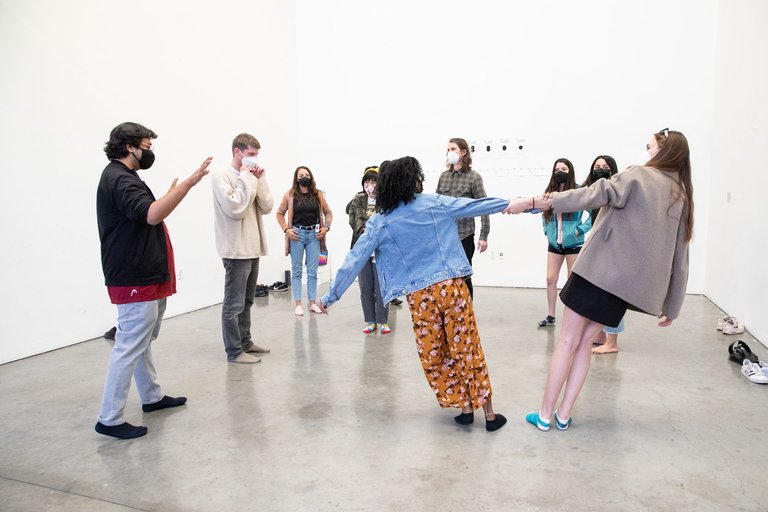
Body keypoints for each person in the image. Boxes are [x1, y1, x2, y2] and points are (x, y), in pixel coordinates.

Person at [507, 129, 693, 432]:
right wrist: (672, 306)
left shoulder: (637, 177)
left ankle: (543, 415)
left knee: (567, 341)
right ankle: (564, 415)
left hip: (596, 272)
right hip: (621, 290)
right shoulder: (682, 196)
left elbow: (589, 194)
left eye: (648, 147)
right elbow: (680, 256)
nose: (644, 151)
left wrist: (534, 201)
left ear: (662, 151)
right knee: (583, 346)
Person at [320, 156, 509, 432]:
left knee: (435, 352)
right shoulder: (434, 203)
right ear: (412, 181)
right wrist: (522, 205)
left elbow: (355, 259)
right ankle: (488, 414)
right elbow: (476, 205)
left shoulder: (380, 222)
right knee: (467, 346)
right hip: (451, 289)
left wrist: (330, 297)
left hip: (420, 298)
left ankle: (464, 407)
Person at [95, 122, 211, 439]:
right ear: (129, 146)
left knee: (142, 340)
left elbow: (142, 214)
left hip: (145, 272)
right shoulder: (118, 178)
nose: (150, 152)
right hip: (133, 275)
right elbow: (151, 214)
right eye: (147, 146)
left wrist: (172, 192)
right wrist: (185, 186)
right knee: (129, 344)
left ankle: (152, 397)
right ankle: (109, 418)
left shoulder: (126, 177)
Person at [211, 133, 274, 364]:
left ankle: (245, 342)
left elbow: (267, 206)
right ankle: (234, 351)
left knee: (247, 301)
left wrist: (261, 179)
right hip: (235, 250)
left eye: (256, 155)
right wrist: (248, 178)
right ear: (237, 152)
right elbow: (235, 206)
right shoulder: (221, 176)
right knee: (233, 304)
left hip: (252, 247)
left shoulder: (251, 176)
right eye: (250, 155)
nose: (254, 159)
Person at [537, 158, 592, 328]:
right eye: (557, 169)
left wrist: (579, 230)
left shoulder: (578, 191)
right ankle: (551, 315)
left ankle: (572, 318)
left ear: (570, 171)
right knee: (550, 278)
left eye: (563, 169)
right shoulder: (549, 192)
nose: (560, 172)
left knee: (571, 282)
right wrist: (547, 231)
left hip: (573, 244)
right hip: (555, 243)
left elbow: (592, 215)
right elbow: (543, 214)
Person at [580, 155, 626, 354]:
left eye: (605, 167)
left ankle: (612, 342)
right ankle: (599, 334)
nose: (600, 170)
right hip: (599, 248)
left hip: (615, 249)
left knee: (612, 295)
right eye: (597, 167)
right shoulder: (593, 195)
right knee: (596, 293)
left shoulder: (618, 192)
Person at [435, 138, 489, 298]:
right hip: (444, 236)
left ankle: (466, 317)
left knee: (463, 277)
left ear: (463, 152)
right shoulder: (443, 177)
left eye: (453, 149)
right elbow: (437, 207)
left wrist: (483, 236)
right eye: (448, 150)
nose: (449, 152)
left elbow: (484, 206)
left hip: (464, 235)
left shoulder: (474, 177)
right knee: (445, 277)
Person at [276, 166, 333, 316]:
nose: (304, 177)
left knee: (313, 272)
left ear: (311, 177)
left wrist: (326, 227)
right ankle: (298, 304)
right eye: (301, 175)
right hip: (297, 235)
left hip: (314, 235)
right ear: (296, 178)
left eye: (307, 174)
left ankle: (312, 302)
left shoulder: (317, 195)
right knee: (296, 271)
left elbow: (328, 213)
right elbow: (279, 213)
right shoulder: (290, 195)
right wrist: (287, 229)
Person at [346, 166, 390, 334]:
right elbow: (353, 217)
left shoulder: (385, 201)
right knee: (365, 287)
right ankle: (371, 321)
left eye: (373, 181)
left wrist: (367, 220)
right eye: (367, 181)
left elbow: (383, 221)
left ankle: (383, 321)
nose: (370, 185)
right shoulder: (358, 199)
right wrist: (365, 225)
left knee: (382, 288)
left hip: (380, 251)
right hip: (362, 248)